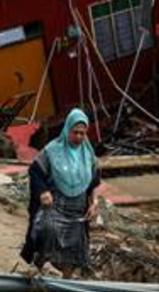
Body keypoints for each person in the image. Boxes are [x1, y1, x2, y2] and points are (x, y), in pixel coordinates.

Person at [21, 108, 100, 278]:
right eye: (75, 132)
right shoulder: (52, 151)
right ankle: (43, 268)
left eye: (82, 133)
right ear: (67, 129)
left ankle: (66, 281)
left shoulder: (88, 155)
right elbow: (35, 172)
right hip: (55, 206)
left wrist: (94, 203)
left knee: (73, 246)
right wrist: (43, 192)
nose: (79, 137)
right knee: (47, 230)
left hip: (77, 212)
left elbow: (94, 182)